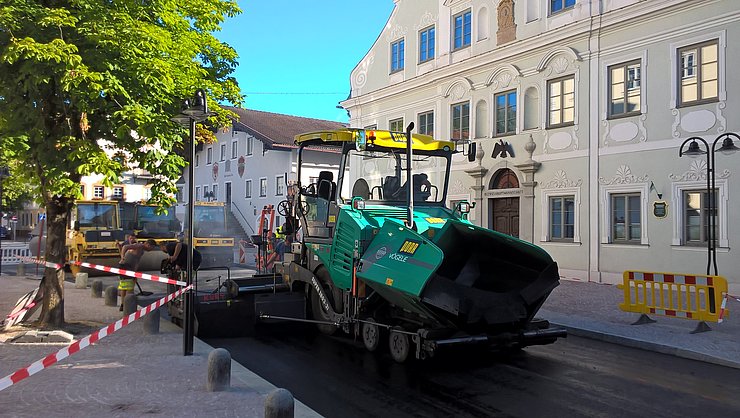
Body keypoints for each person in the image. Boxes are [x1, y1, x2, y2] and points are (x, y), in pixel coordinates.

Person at [118, 238, 157, 311]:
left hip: (129, 268)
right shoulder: (139, 246)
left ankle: (123, 305)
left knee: (126, 286)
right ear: (148, 245)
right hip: (125, 266)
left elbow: (136, 262)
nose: (151, 250)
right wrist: (122, 256)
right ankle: (127, 306)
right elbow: (125, 247)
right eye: (152, 248)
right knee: (128, 287)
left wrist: (135, 274)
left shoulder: (142, 251)